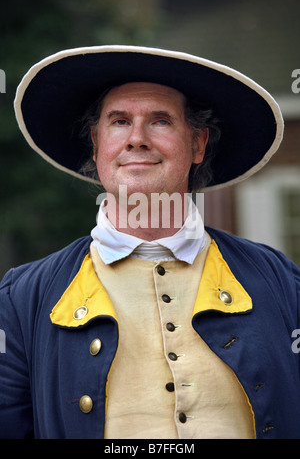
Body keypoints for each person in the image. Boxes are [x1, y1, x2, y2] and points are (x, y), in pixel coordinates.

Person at [0, 45, 300, 440]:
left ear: (198, 145)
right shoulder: (23, 299)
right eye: (120, 121)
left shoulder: (282, 282)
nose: (137, 139)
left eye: (160, 121)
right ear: (96, 142)